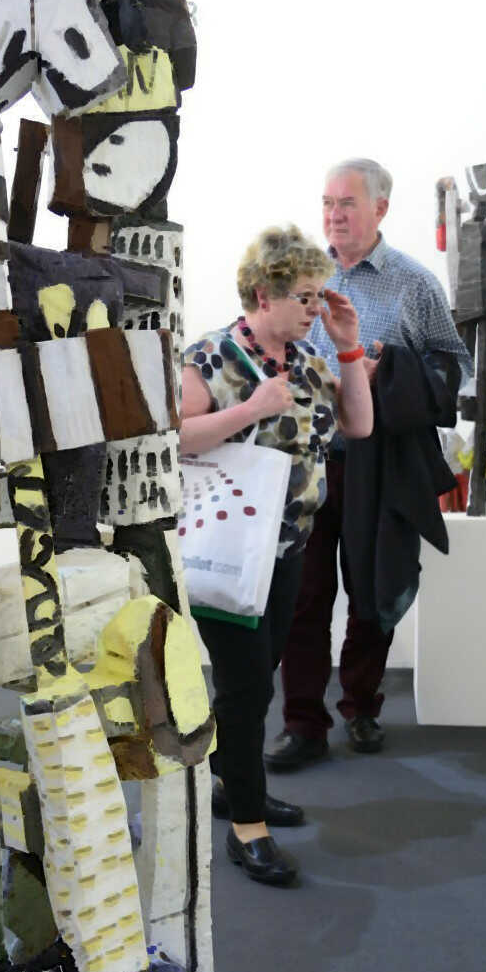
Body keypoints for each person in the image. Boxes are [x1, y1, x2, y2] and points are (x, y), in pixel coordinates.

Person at [180, 225, 373, 887]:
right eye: (304, 297)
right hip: (230, 550)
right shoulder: (211, 356)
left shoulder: (309, 359)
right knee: (244, 687)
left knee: (258, 678)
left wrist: (348, 348)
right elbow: (174, 437)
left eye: (319, 296)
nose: (314, 308)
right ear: (264, 294)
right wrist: (252, 408)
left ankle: (234, 785)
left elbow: (359, 424)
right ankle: (247, 827)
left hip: (288, 548)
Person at [267, 159, 473, 769]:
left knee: (370, 589)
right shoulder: (301, 276)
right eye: (327, 202)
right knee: (303, 596)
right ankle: (303, 723)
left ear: (380, 209)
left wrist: (391, 373)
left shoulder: (414, 283)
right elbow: (270, 345)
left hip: (376, 462)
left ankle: (361, 707)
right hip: (305, 458)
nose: (334, 214)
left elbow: (457, 369)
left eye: (347, 203)